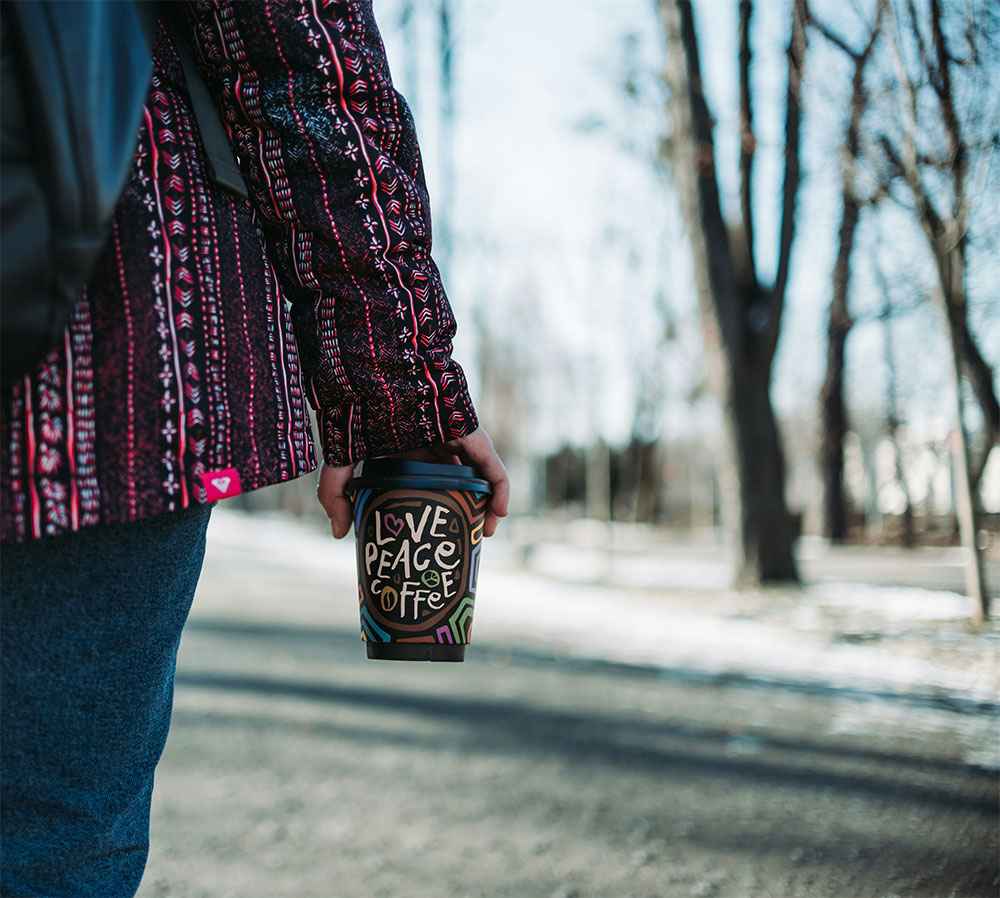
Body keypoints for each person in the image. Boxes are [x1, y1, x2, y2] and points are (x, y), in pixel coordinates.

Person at [0, 2, 508, 895]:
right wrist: (396, 383)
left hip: (93, 359)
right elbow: (296, 55)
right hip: (101, 352)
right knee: (48, 837)